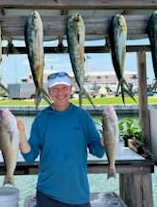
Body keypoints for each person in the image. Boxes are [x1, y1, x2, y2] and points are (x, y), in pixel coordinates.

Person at [17, 71, 105, 207]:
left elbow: (98, 152)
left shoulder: (83, 116)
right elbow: (29, 156)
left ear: (71, 89)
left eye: (64, 88)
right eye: (55, 89)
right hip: (47, 194)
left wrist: (108, 136)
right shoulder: (41, 119)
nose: (60, 93)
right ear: (49, 91)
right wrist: (21, 134)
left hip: (78, 195)